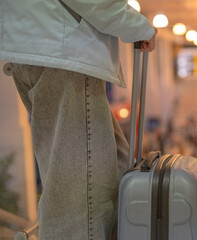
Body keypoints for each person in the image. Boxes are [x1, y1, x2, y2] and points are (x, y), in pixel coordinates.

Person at [0, 1, 157, 239]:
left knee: (112, 168)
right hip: (62, 52)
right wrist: (137, 26)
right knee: (82, 205)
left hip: (43, 46)